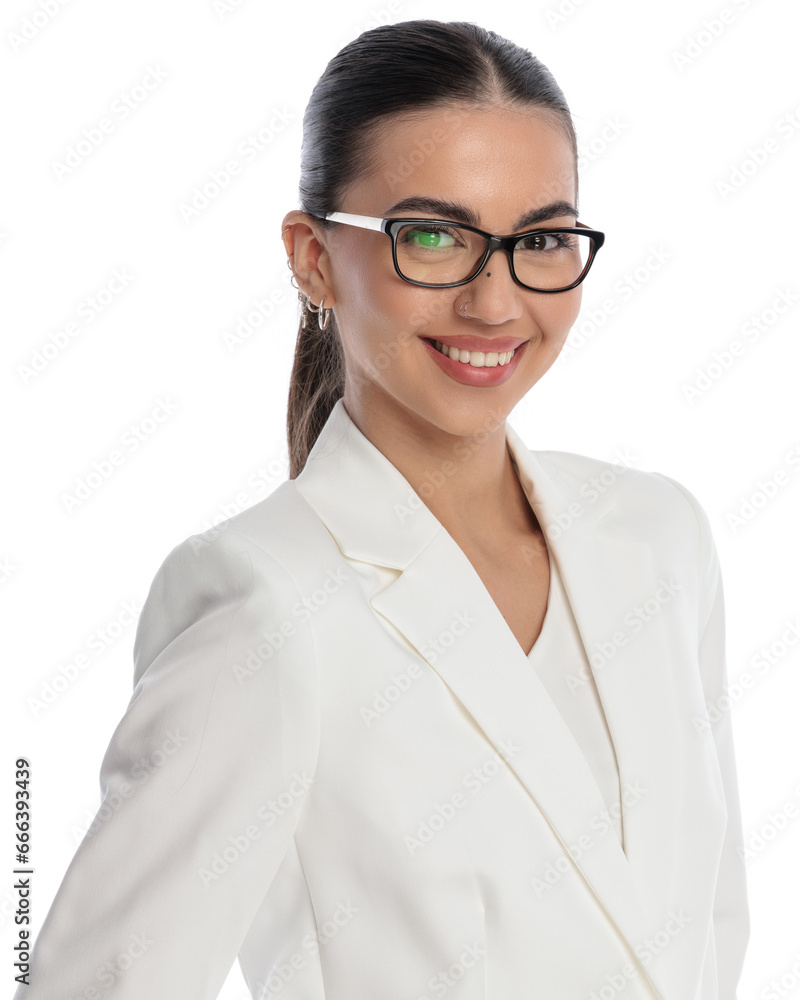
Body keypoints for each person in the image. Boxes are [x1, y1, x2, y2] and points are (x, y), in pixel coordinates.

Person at [15, 19, 749, 1000]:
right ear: (313, 258)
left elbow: (709, 936)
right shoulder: (267, 601)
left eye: (539, 239)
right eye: (432, 236)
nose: (496, 303)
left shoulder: (660, 539)